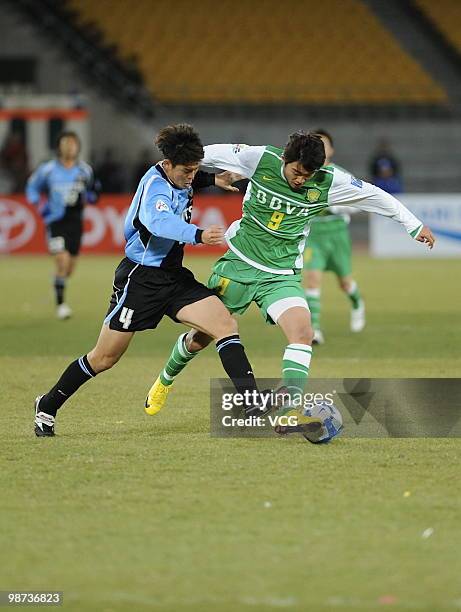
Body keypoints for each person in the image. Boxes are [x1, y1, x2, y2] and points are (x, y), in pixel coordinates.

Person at [146, 132, 434, 419]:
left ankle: (286, 410)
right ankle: (165, 380)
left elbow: (374, 195)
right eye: (297, 172)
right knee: (200, 339)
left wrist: (413, 225)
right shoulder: (258, 159)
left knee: (303, 334)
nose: (301, 180)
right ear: (285, 158)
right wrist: (169, 167)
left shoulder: (328, 181)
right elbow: (204, 154)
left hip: (280, 275)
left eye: (308, 175)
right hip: (239, 265)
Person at [33, 124, 259, 437]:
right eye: (187, 171)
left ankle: (252, 403)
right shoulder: (155, 185)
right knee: (104, 358)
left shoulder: (181, 176)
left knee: (225, 325)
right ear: (168, 165)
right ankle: (47, 405)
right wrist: (197, 235)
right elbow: (159, 222)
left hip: (173, 277)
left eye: (197, 170)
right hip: (139, 280)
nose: (191, 176)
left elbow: (187, 184)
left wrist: (213, 179)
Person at [26, 131, 100, 319]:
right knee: (62, 260)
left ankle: (58, 283)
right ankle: (61, 306)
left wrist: (91, 197)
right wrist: (40, 204)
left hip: (75, 222)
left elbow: (94, 190)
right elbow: (32, 188)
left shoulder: (84, 170)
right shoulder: (48, 169)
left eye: (73, 143)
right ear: (59, 146)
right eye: (66, 143)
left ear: (78, 147)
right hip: (56, 221)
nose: (69, 147)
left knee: (69, 268)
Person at [304, 129, 365, 345]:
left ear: (331, 150)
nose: (321, 149)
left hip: (337, 233)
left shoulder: (341, 175)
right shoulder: (304, 173)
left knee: (345, 282)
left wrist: (340, 208)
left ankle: (357, 302)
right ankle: (315, 330)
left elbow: (361, 201)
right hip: (314, 234)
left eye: (324, 144)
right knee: (312, 278)